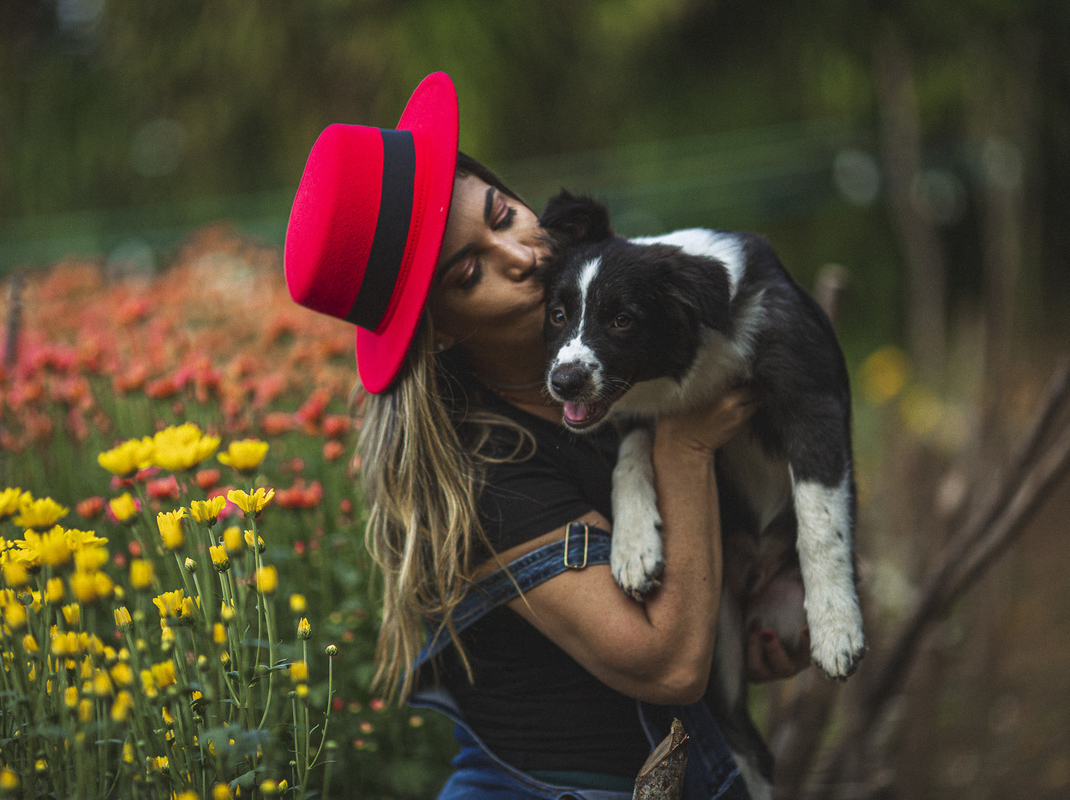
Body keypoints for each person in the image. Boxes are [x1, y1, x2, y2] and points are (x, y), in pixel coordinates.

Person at [284, 72, 808, 800]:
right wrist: (683, 447)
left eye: (503, 215)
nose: (524, 256)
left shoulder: (619, 340)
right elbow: (668, 665)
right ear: (436, 332)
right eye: (471, 272)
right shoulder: (483, 474)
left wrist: (770, 609)